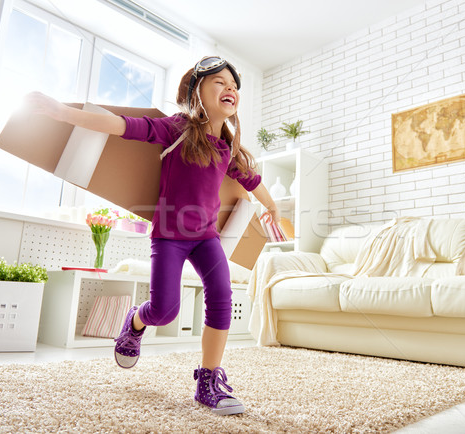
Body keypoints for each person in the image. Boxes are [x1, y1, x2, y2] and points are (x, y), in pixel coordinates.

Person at [27, 56, 280, 416]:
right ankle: (135, 321)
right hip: (169, 237)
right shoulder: (177, 129)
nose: (230, 90)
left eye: (234, 86)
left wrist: (272, 207)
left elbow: (252, 181)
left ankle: (208, 381)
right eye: (220, 83)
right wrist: (62, 112)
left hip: (206, 238)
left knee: (222, 297)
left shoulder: (229, 150)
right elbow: (121, 125)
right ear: (197, 93)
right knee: (165, 310)